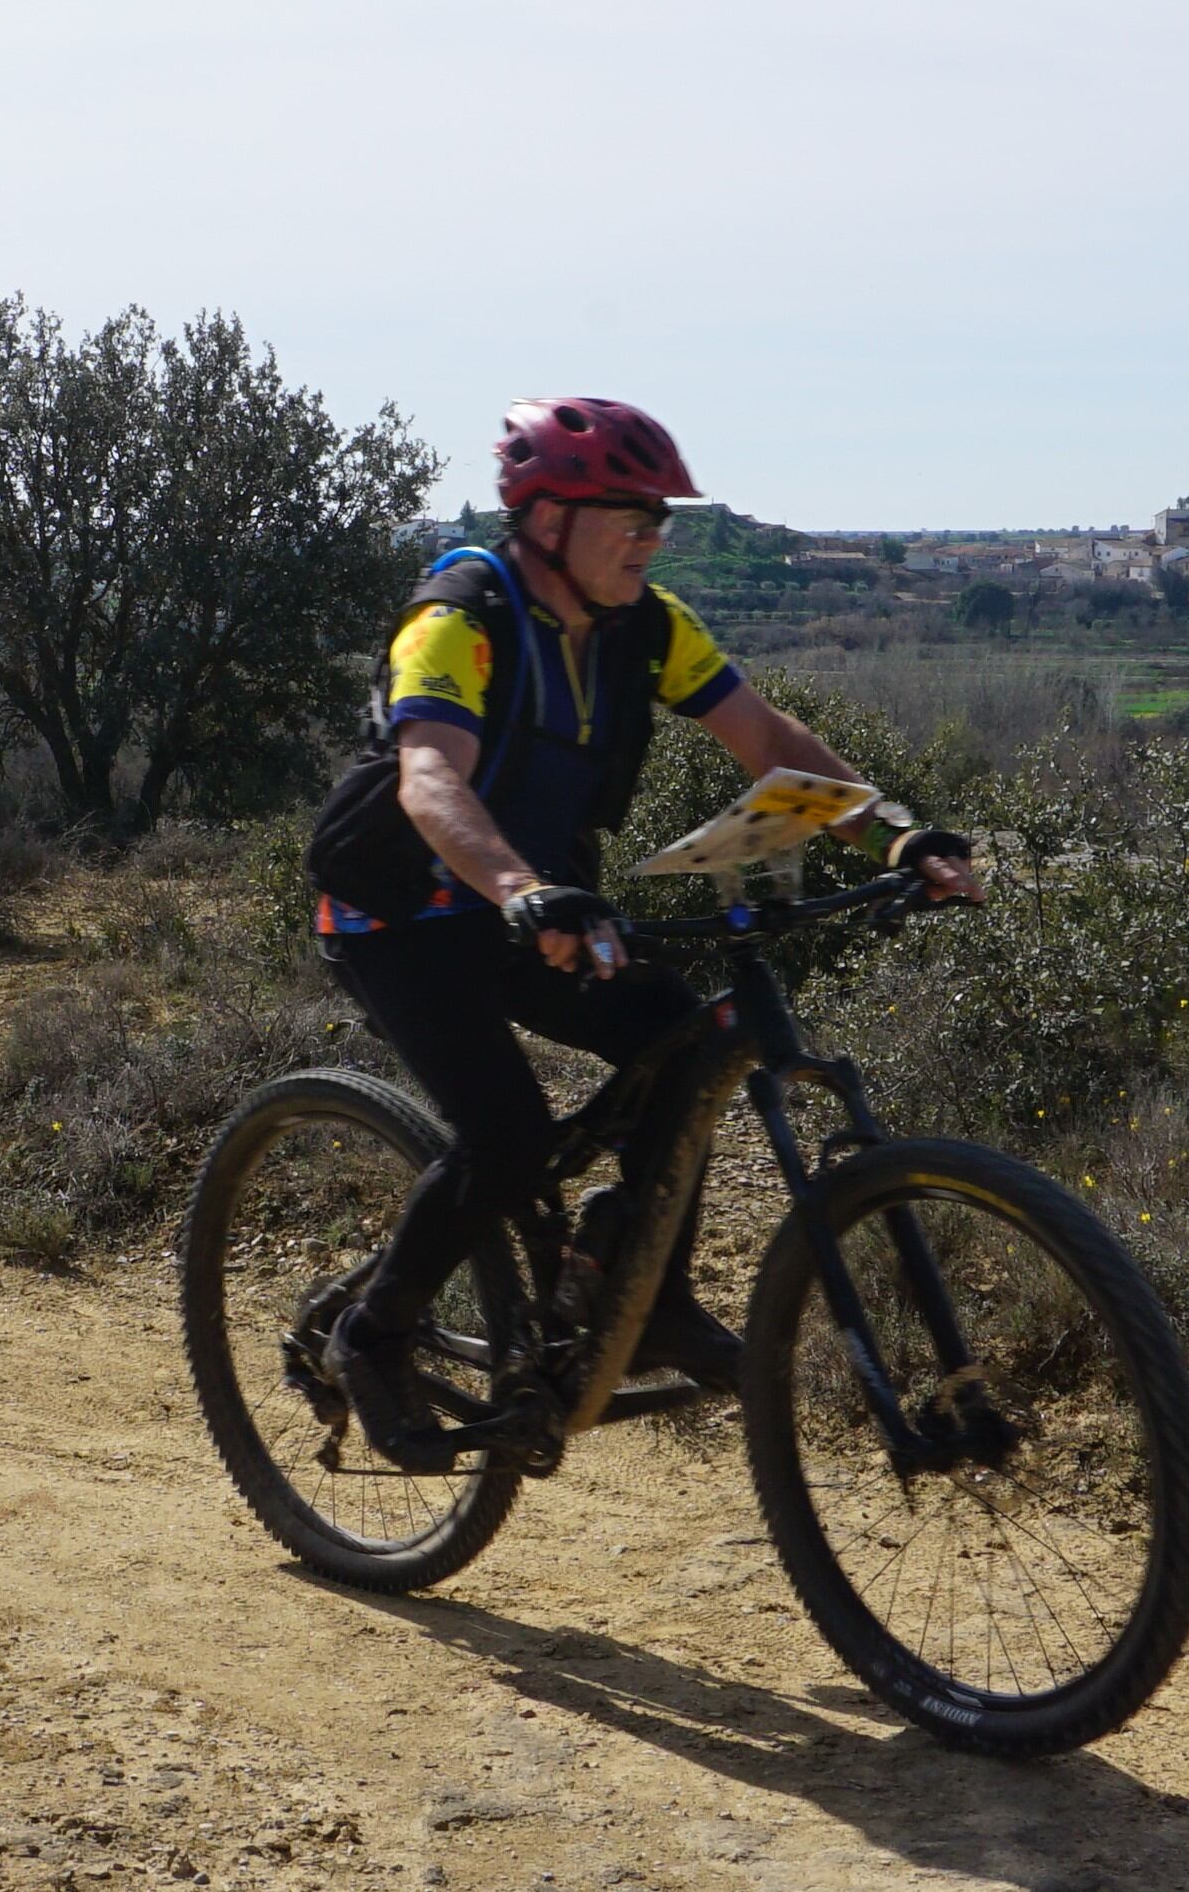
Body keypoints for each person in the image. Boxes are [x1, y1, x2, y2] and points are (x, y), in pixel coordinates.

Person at [317, 395, 964, 1463]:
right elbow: (429, 778)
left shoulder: (646, 625)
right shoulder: (459, 619)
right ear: (548, 519)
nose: (651, 539)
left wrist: (894, 835)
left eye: (659, 519)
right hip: (402, 914)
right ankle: (370, 1335)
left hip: (537, 905)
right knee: (507, 1136)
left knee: (684, 1039)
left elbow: (764, 736)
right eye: (630, 517)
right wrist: (522, 888)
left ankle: (648, 1300)